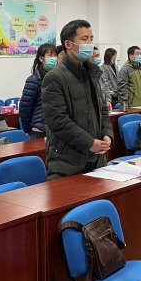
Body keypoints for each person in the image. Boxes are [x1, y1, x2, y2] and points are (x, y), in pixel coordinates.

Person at [41, 20, 113, 179]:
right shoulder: (54, 77)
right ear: (68, 44)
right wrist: (89, 143)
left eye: (91, 39)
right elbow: (58, 121)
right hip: (67, 163)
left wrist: (107, 134)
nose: (90, 44)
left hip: (96, 160)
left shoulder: (92, 73)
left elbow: (102, 109)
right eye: (84, 39)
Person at [20, 43, 57, 139]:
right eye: (50, 55)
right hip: (39, 131)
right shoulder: (34, 80)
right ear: (41, 59)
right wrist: (27, 129)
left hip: (56, 129)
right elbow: (25, 108)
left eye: (55, 55)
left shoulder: (58, 78)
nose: (54, 58)